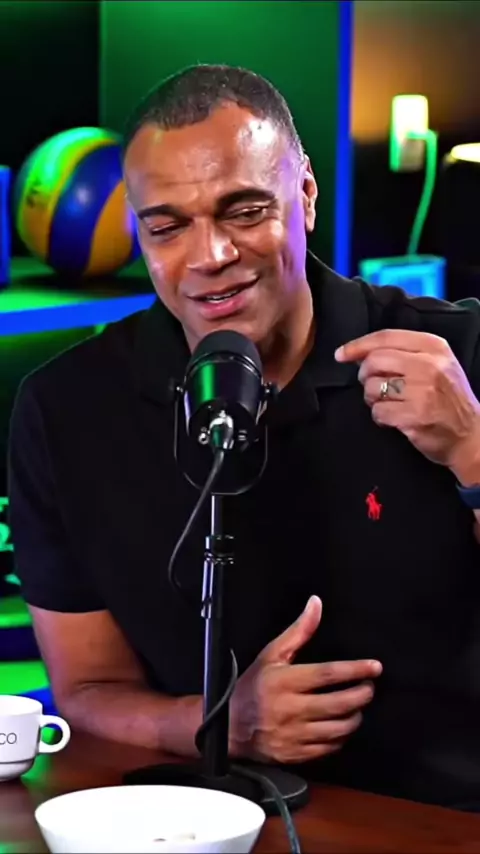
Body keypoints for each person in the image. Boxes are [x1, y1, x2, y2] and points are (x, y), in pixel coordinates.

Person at [7, 64, 480, 811]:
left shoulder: (457, 355)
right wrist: (223, 724)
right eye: (167, 228)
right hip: (191, 819)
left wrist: (471, 449)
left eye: (245, 210)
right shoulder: (66, 408)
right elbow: (88, 687)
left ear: (306, 195)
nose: (210, 256)